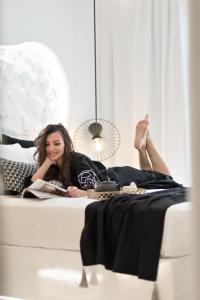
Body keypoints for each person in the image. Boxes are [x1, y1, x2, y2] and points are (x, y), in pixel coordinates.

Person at [24, 116, 180, 197]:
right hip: (116, 177)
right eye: (47, 144)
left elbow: (97, 188)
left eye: (56, 144)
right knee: (154, 179)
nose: (51, 148)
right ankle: (141, 147)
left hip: (119, 178)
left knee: (166, 179)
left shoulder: (77, 160)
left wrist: (81, 192)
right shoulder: (51, 167)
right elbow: (31, 185)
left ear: (65, 144)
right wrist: (47, 161)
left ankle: (147, 143)